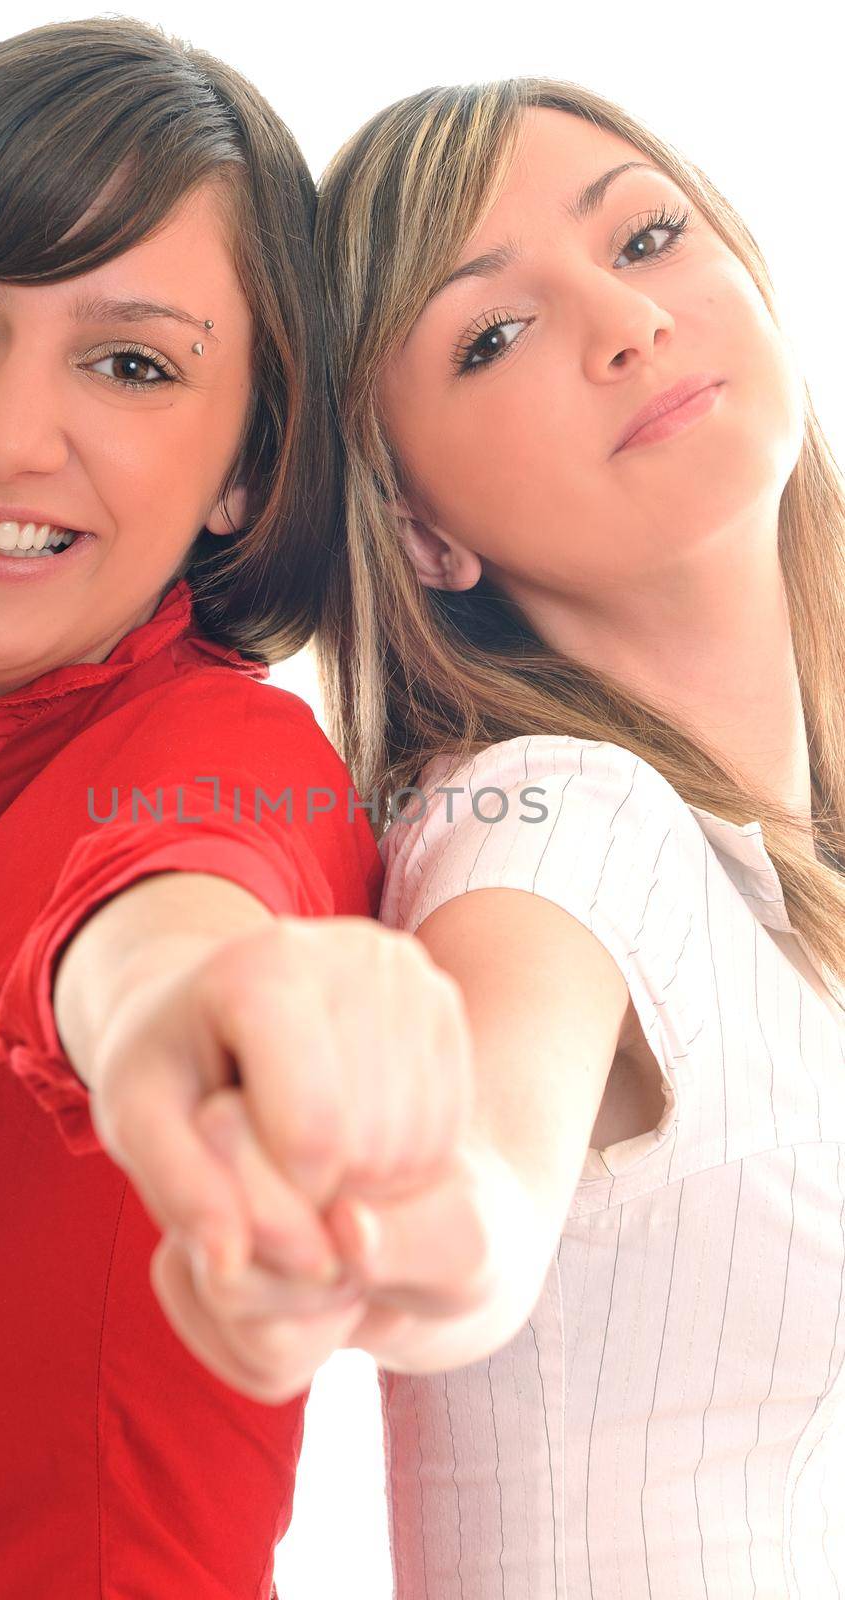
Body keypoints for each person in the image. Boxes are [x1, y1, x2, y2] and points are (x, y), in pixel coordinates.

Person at [0, 19, 490, 1597]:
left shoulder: (223, 754)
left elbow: (175, 905)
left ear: (247, 468)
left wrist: (200, 1004)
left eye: (131, 364)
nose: (7, 434)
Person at [303, 76, 845, 1597]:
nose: (624, 321)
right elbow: (473, 1192)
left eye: (648, 236)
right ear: (417, 533)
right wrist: (390, 1233)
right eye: (491, 335)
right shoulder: (553, 817)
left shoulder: (769, 876)